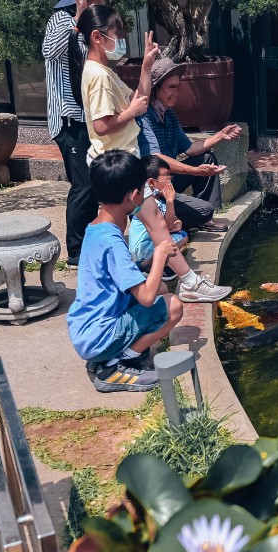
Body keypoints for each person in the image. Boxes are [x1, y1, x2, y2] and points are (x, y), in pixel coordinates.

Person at [67, 150, 183, 393]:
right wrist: (160, 256)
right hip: (99, 336)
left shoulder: (96, 228)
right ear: (134, 196)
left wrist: (145, 265)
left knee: (160, 287)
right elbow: (146, 298)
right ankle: (116, 365)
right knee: (172, 305)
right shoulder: (112, 240)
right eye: (144, 190)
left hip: (86, 330)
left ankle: (110, 357)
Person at [138, 57, 241, 232]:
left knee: (207, 157)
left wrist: (220, 135)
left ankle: (205, 219)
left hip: (170, 180)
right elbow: (156, 158)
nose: (176, 92)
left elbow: (190, 149)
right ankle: (193, 216)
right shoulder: (144, 117)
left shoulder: (169, 114)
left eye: (177, 87)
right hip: (153, 187)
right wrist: (195, 171)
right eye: (171, 87)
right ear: (156, 88)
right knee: (203, 211)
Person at [43, 0, 104, 268]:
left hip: (90, 117)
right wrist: (78, 18)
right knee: (84, 185)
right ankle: (76, 253)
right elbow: (49, 51)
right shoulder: (61, 19)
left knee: (93, 183)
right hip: (70, 119)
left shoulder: (93, 21)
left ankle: (90, 243)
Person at [129, 155, 233, 302]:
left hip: (145, 246)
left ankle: (154, 265)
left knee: (182, 234)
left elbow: (171, 224)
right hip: (144, 248)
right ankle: (154, 265)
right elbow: (166, 227)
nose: (170, 181)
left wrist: (176, 223)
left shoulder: (156, 199)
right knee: (177, 238)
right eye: (166, 178)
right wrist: (171, 202)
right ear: (151, 182)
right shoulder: (151, 201)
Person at [68, 4, 157, 164]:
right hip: (115, 162)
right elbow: (101, 126)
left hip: (120, 157)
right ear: (97, 37)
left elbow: (140, 100)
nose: (122, 41)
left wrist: (147, 66)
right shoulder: (99, 75)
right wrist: (132, 112)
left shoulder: (104, 71)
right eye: (118, 35)